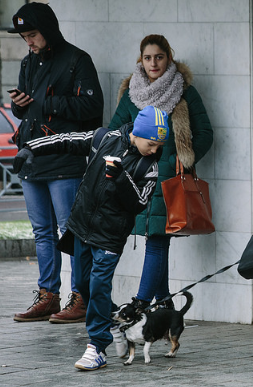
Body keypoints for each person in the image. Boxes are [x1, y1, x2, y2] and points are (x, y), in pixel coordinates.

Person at [13, 106, 169, 371]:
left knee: (98, 285)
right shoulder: (104, 138)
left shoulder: (148, 166)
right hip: (81, 227)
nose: (155, 150)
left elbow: (139, 203)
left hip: (110, 237)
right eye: (151, 143)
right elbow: (66, 140)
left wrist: (121, 178)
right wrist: (31, 147)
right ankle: (113, 318)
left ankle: (97, 347)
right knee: (83, 284)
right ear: (137, 134)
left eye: (159, 145)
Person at [8, 2, 104, 324]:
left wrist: (44, 102)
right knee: (41, 232)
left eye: (32, 35)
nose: (29, 42)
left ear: (47, 30)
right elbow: (27, 109)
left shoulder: (78, 60)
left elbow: (92, 106)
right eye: (24, 37)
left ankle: (80, 297)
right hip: (32, 158)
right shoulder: (28, 62)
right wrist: (18, 106)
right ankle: (48, 296)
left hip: (65, 159)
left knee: (71, 230)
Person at [108, 34, 213, 313]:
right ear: (140, 60)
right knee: (156, 240)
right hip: (138, 177)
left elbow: (205, 133)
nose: (153, 63)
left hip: (169, 178)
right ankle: (165, 305)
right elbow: (114, 131)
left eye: (159, 57)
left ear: (169, 57)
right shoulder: (132, 93)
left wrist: (185, 157)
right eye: (147, 57)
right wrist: (128, 150)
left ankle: (141, 303)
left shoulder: (184, 91)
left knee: (156, 240)